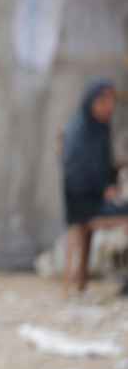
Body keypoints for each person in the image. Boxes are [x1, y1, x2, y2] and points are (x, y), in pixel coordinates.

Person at [62, 79, 128, 294]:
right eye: (105, 101)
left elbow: (105, 166)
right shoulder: (79, 130)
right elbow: (76, 174)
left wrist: (111, 182)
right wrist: (102, 189)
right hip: (82, 203)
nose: (110, 106)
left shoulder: (100, 128)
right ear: (93, 102)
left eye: (112, 101)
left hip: (98, 198)